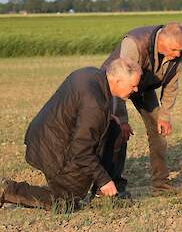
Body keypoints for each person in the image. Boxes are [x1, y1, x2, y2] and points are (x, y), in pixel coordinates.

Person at [0, 58, 141, 211]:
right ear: (118, 81)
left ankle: (102, 196)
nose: (136, 90)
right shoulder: (95, 106)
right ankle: (8, 190)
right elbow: (81, 152)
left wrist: (106, 118)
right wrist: (104, 179)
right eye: (133, 85)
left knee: (115, 129)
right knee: (66, 203)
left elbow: (77, 110)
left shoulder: (91, 74)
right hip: (51, 149)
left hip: (49, 134)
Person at [101, 22, 182, 195]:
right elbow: (122, 82)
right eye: (174, 50)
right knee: (116, 132)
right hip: (114, 88)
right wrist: (122, 120)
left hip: (143, 88)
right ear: (162, 42)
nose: (178, 54)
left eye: (180, 50)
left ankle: (161, 185)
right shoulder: (134, 43)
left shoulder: (177, 53)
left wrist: (164, 115)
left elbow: (171, 85)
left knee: (159, 131)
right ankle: (109, 187)